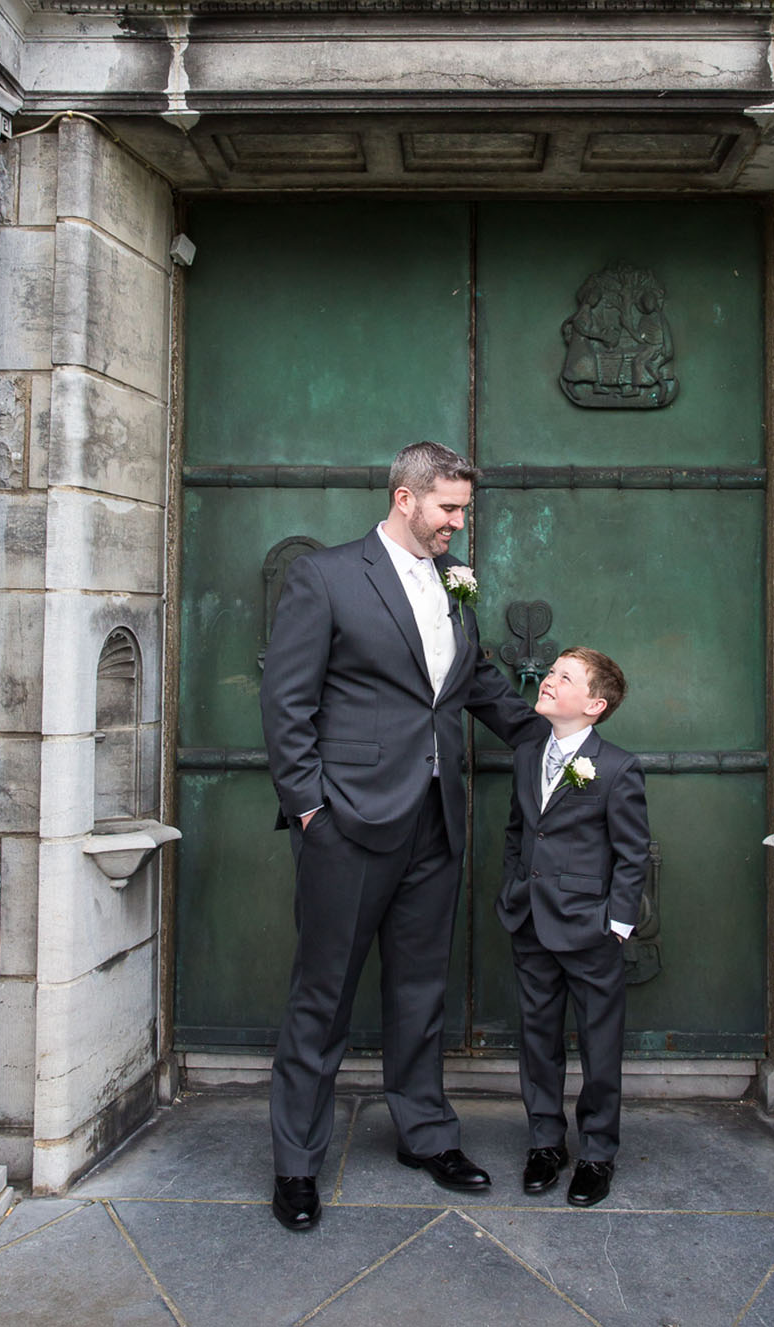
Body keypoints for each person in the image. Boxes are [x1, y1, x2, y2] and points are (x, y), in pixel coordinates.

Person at [260, 441, 545, 1233]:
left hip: (435, 818)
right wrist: (311, 809)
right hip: (347, 821)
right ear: (404, 499)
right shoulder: (325, 577)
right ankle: (296, 1164)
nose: (460, 522)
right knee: (323, 996)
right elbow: (286, 703)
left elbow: (472, 683)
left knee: (420, 992)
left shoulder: (453, 586)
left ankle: (425, 1132)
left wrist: (553, 736)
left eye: (463, 509)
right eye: (449, 508)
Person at [495, 647, 650, 1208]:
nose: (550, 680)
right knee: (537, 1039)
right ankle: (544, 1143)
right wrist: (514, 889)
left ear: (594, 705)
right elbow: (520, 832)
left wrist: (617, 926)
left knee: (599, 1044)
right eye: (552, 672)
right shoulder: (527, 754)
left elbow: (632, 854)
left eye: (565, 677)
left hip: (589, 930)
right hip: (530, 919)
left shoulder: (616, 768)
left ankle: (597, 1153)